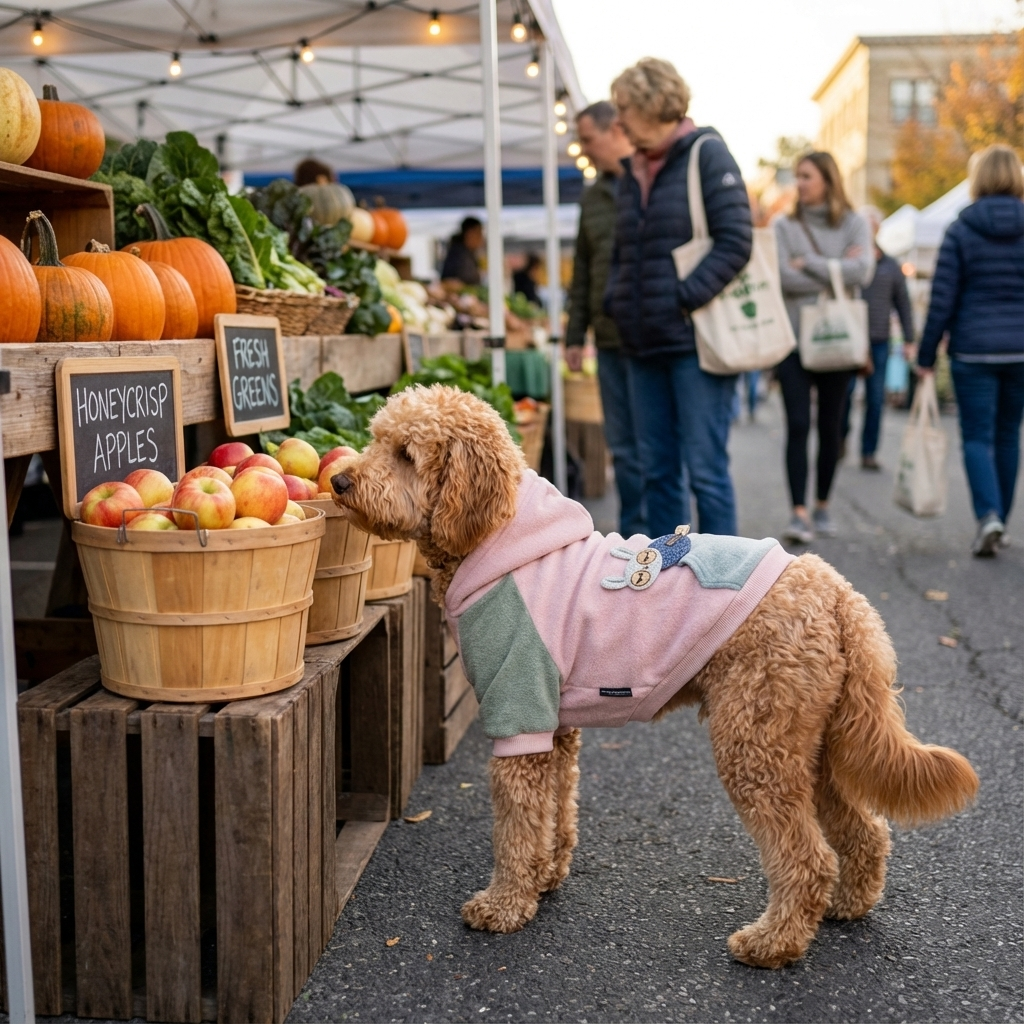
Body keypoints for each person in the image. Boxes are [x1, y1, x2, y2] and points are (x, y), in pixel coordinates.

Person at [605, 59, 752, 537]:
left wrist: (681, 298)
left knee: (706, 473)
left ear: (652, 103)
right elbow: (622, 249)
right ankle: (667, 591)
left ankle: (730, 594)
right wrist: (617, 299)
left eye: (623, 107)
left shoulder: (706, 153)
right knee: (658, 474)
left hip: (695, 343)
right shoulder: (632, 170)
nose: (618, 120)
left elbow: (736, 241)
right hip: (641, 343)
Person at [916, 144, 1024, 557]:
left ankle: (989, 515)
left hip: (973, 350)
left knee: (977, 436)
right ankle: (1001, 519)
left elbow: (942, 299)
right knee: (1008, 435)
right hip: (1020, 351)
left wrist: (926, 356)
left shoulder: (960, 229)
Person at [773, 152, 874, 543]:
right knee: (798, 425)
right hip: (794, 342)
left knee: (831, 427)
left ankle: (823, 504)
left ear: (828, 181)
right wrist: (834, 268)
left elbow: (863, 270)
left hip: (838, 341)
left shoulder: (854, 223)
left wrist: (808, 263)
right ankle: (798, 512)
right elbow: (782, 276)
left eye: (806, 176)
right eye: (797, 176)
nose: (799, 183)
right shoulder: (784, 225)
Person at [564, 101, 646, 536]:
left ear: (614, 131)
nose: (584, 149)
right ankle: (638, 539)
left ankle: (676, 538)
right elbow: (582, 269)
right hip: (608, 339)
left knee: (657, 448)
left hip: (651, 337)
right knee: (625, 448)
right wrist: (575, 335)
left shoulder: (648, 181)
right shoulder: (592, 196)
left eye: (588, 140)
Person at [842, 205, 915, 470]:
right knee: (844, 395)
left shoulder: (891, 265)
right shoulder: (847, 259)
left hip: (878, 340)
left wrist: (909, 339)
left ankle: (868, 451)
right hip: (849, 338)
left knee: (875, 399)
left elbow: (903, 303)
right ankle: (840, 438)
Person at [441, 216, 483, 285]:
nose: (481, 238)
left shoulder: (466, 252)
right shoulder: (459, 254)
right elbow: (466, 281)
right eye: (479, 234)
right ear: (469, 233)